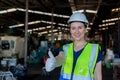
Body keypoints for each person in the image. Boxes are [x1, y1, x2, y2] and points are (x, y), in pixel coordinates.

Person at [45, 12, 103, 80]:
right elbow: (60, 58)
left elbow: (98, 75)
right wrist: (54, 62)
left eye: (80, 28)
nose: (77, 31)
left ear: (85, 29)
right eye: (73, 28)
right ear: (70, 30)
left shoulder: (94, 50)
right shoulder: (65, 48)